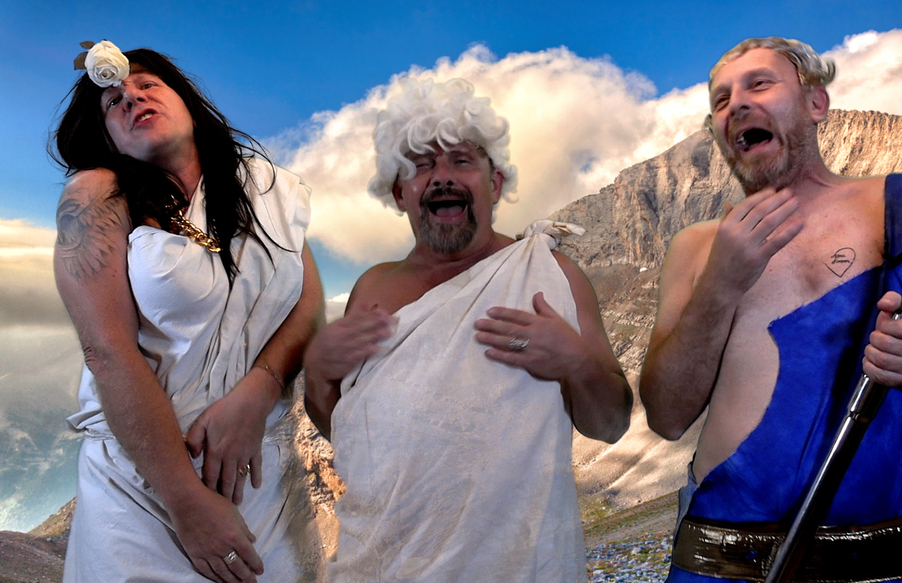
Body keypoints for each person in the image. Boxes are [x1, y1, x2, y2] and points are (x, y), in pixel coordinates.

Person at [639, 37, 902, 582]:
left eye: (760, 83)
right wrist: (720, 284)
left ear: (816, 103)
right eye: (720, 100)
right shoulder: (696, 248)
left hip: (889, 566)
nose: (736, 104)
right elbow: (667, 416)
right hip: (721, 564)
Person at [303, 77, 632, 582]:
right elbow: (351, 437)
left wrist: (577, 362)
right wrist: (319, 378)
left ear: (494, 183)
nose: (442, 177)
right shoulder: (371, 289)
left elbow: (610, 425)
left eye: (461, 160)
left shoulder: (551, 275)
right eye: (421, 165)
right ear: (400, 192)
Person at [52, 41, 324, 582]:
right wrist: (185, 502)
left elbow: (309, 307)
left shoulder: (264, 187)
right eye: (113, 102)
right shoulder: (97, 197)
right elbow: (107, 351)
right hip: (145, 487)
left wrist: (257, 394)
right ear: (107, 137)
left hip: (261, 468)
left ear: (187, 102)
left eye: (147, 84)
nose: (131, 97)